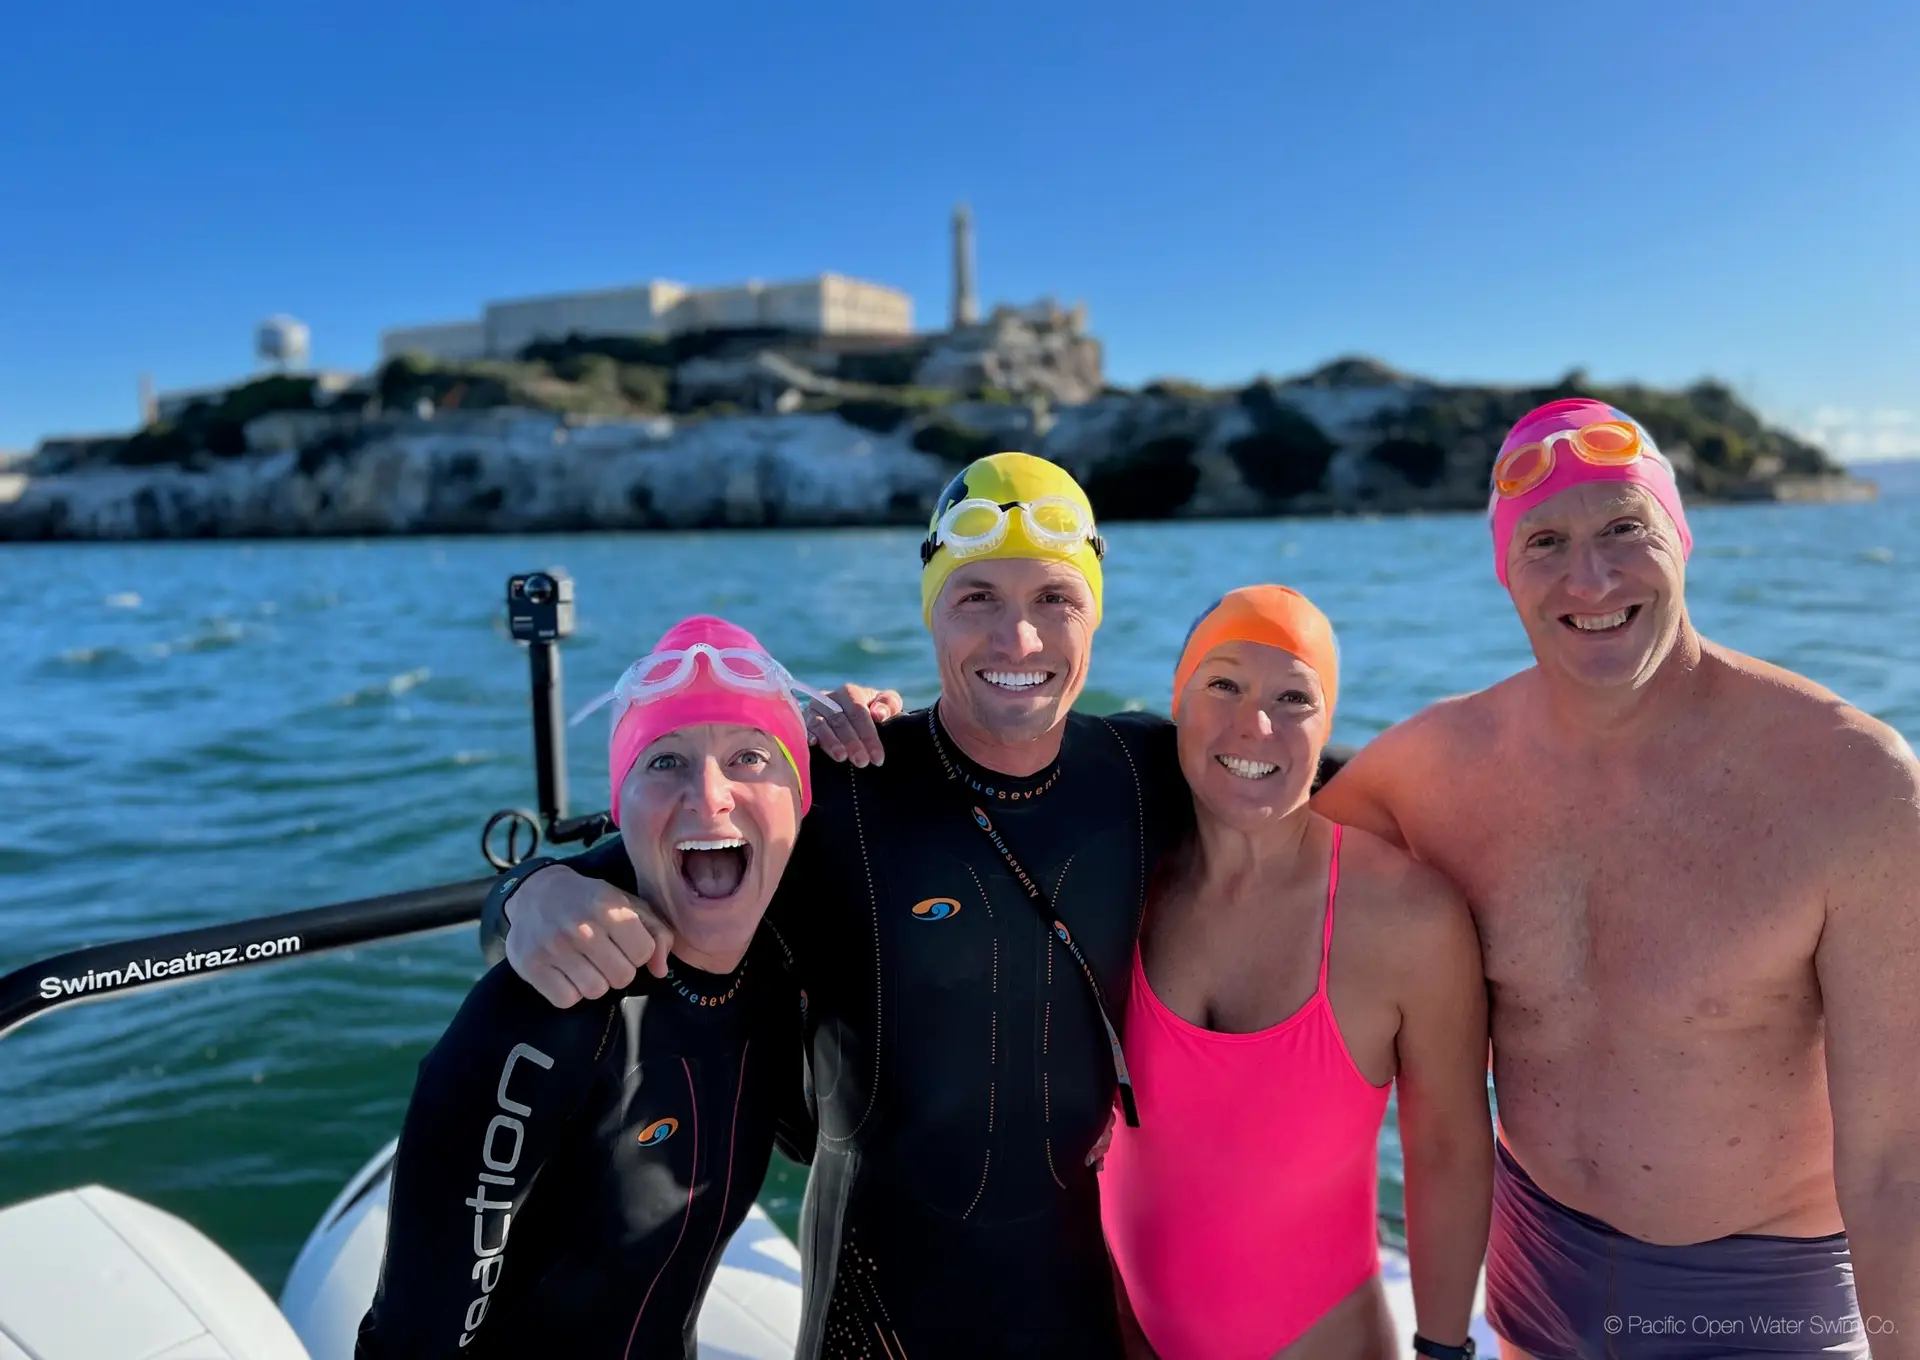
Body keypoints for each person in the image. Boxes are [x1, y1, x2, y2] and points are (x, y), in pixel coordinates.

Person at [482, 454, 1190, 1359]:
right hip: (875, 1308)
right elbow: (568, 889)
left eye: (1054, 598)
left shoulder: (1147, 774)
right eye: (975, 596)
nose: (1018, 640)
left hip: (1083, 1302)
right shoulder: (847, 787)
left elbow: (1337, 789)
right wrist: (531, 893)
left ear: (1094, 609)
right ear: (931, 608)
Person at [1310, 399, 1920, 1358]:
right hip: (1530, 1261)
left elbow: (1896, 1166)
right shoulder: (1435, 769)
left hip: (1764, 1296)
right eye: (1545, 541)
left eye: (1624, 530)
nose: (1588, 578)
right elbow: (1262, 871)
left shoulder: (1852, 784)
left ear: (1681, 537)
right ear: (1506, 574)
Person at [356, 616, 816, 1360]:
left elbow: (814, 1133)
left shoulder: (778, 968)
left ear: (800, 804)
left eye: (749, 757)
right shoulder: (544, 1019)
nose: (710, 796)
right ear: (620, 810)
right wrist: (526, 891)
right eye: (664, 762)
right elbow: (411, 1343)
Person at [1100, 585, 1492, 1360]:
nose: (1256, 725)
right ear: (1177, 700)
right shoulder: (1123, 876)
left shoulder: (1404, 915)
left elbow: (1448, 1147)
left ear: (1327, 724)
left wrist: (1444, 1350)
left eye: (1293, 698)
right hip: (1122, 1333)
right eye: (1224, 685)